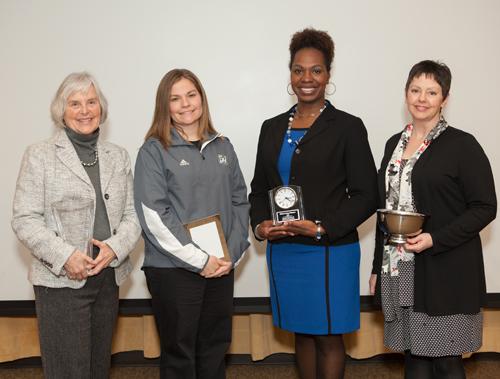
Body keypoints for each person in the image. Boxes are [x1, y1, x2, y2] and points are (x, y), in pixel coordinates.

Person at [249, 28, 378, 379]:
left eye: (316, 70)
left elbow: (368, 194)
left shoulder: (348, 127)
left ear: (328, 75)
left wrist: (322, 227)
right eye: (299, 70)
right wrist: (261, 225)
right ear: (290, 74)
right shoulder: (271, 127)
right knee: (301, 334)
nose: (307, 78)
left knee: (329, 338)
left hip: (330, 249)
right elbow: (260, 189)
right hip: (285, 249)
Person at [370, 60, 497, 379]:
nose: (421, 98)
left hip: (445, 269)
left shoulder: (462, 145)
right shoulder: (393, 145)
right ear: (405, 93)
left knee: (445, 360)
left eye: (431, 91)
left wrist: (434, 238)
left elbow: (485, 207)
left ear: (445, 98)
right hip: (399, 267)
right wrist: (375, 267)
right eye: (415, 90)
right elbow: (384, 208)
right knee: (413, 357)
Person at [11, 72, 141, 379]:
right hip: (60, 283)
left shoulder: (118, 156)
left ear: (101, 108)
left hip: (107, 278)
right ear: (61, 111)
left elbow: (132, 215)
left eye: (91, 102)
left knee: (98, 368)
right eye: (75, 103)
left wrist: (115, 248)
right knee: (68, 371)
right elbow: (24, 218)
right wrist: (66, 256)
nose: (85, 110)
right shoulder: (39, 155)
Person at [134, 68, 250, 379]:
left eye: (191, 94)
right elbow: (155, 215)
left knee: (214, 349)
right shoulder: (154, 151)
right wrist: (200, 260)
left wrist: (232, 254)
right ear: (165, 106)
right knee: (180, 356)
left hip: (220, 268)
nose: (185, 104)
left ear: (202, 98)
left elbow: (240, 200)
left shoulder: (222, 145)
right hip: (174, 270)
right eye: (175, 98)